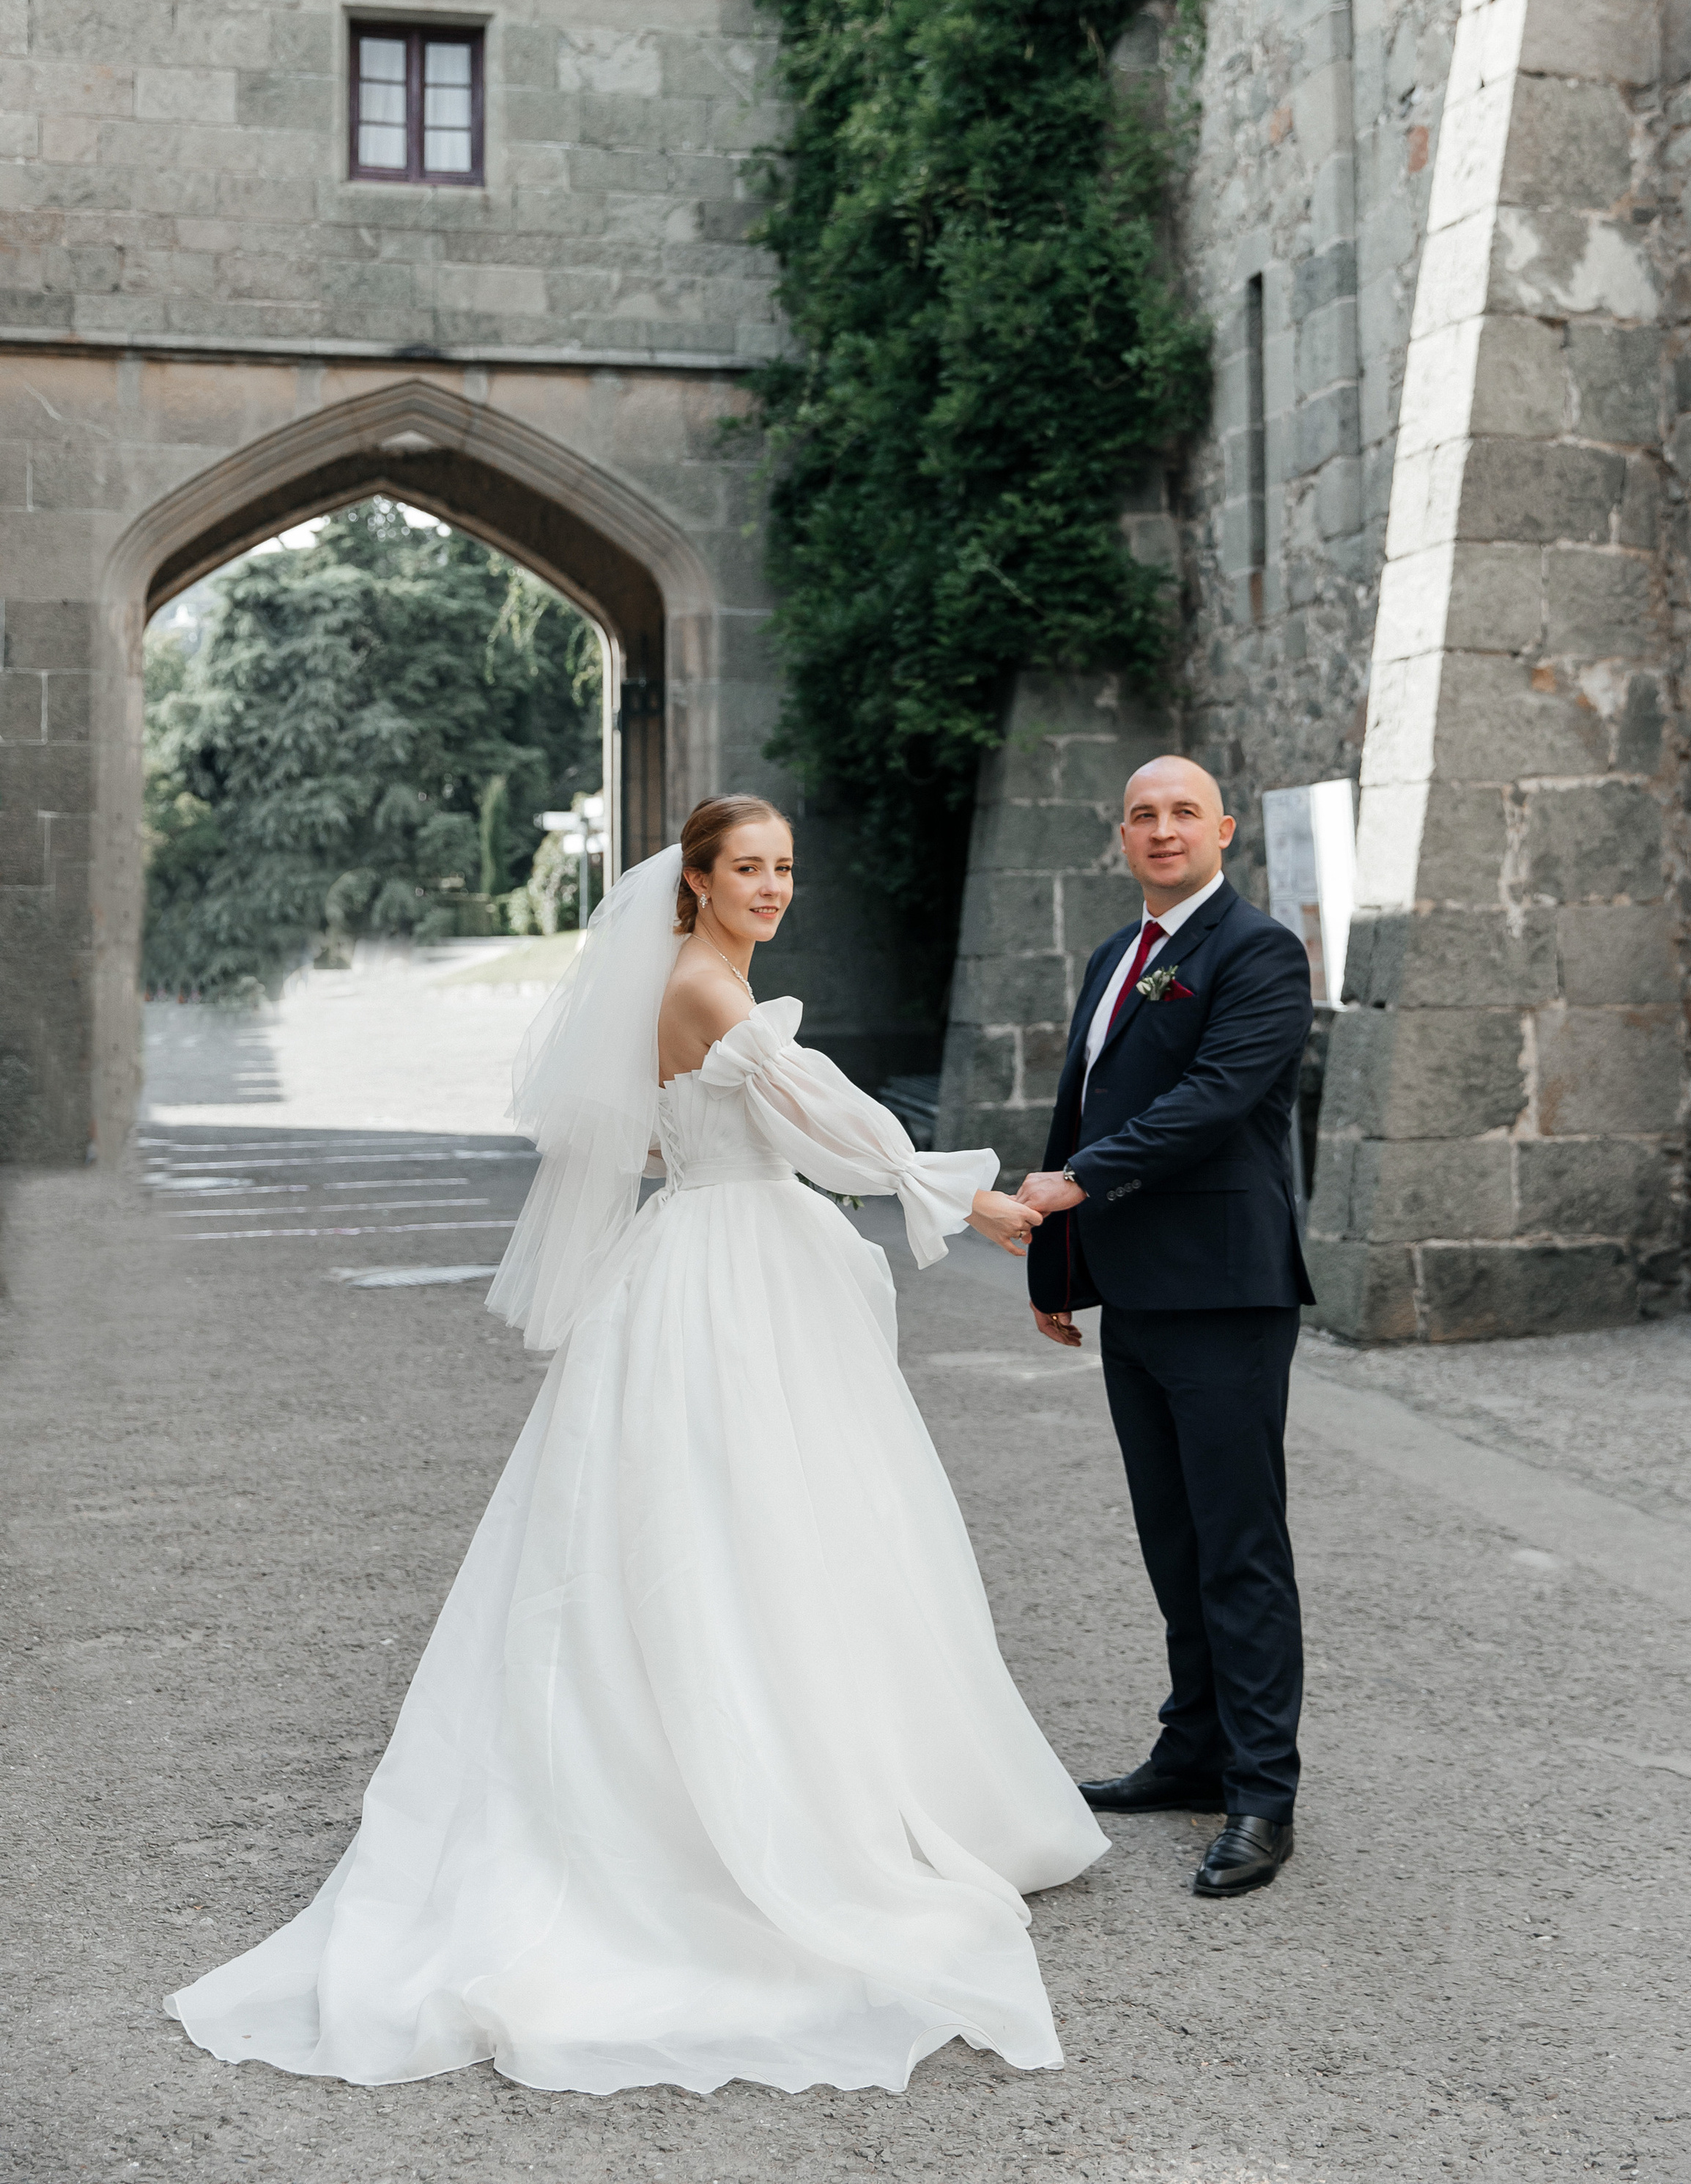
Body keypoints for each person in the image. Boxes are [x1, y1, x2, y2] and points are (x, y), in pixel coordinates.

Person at [166, 796, 1106, 2096]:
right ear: (697, 884)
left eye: (786, 869)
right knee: (736, 1526)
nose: (773, 889)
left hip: (731, 1256)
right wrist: (974, 1197)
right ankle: (736, 1810)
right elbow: (832, 1128)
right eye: (750, 871)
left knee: (783, 1524)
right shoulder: (709, 994)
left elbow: (808, 1135)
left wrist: (937, 1190)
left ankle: (830, 1773)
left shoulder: (713, 980)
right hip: (729, 1273)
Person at [1014, 756, 1314, 1902]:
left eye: (1183, 811)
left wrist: (1067, 1189)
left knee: (1239, 1543)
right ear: (1120, 834)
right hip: (1137, 1294)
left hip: (1227, 1293)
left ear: (1222, 830)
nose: (1162, 828)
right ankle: (1191, 1750)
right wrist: (1060, 1263)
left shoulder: (1257, 952)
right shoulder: (1113, 957)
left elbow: (1213, 1101)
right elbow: (1081, 1108)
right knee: (1172, 1538)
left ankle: (1261, 1793)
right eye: (1142, 813)